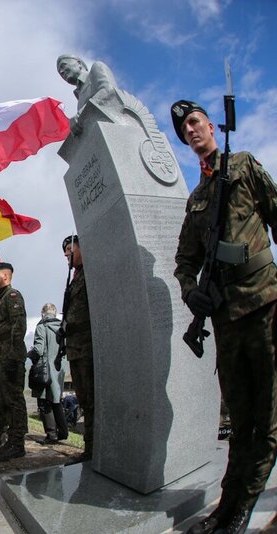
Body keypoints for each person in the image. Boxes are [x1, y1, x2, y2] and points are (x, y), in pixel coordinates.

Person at [172, 99, 277, 534]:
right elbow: (183, 260)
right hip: (227, 320)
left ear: (210, 125)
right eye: (183, 130)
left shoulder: (244, 165)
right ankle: (226, 507)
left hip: (265, 304)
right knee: (240, 421)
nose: (190, 131)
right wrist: (192, 292)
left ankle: (240, 510)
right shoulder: (196, 200)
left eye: (194, 122)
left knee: (268, 418)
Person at [0, 262, 28, 462]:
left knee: (14, 401)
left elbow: (18, 327)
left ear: (5, 275)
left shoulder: (12, 296)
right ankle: (10, 441)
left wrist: (14, 356)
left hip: (9, 356)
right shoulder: (0, 301)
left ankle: (17, 443)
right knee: (5, 401)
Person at [61, 235, 93, 463]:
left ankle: (93, 450)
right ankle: (90, 449)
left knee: (91, 400)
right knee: (84, 400)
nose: (66, 255)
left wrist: (69, 324)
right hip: (76, 347)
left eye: (69, 249)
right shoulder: (76, 277)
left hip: (88, 347)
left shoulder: (91, 272)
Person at [28, 303, 68, 444]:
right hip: (59, 368)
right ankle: (63, 431)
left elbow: (38, 350)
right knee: (56, 400)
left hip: (44, 369)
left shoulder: (41, 327)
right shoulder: (62, 327)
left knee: (44, 402)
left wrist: (29, 355)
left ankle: (51, 434)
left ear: (42, 313)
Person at [56, 54, 118, 136]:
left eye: (63, 66)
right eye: (60, 72)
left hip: (114, 125)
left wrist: (80, 114)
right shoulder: (78, 94)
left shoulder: (96, 68)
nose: (62, 72)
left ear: (79, 63)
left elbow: (108, 90)